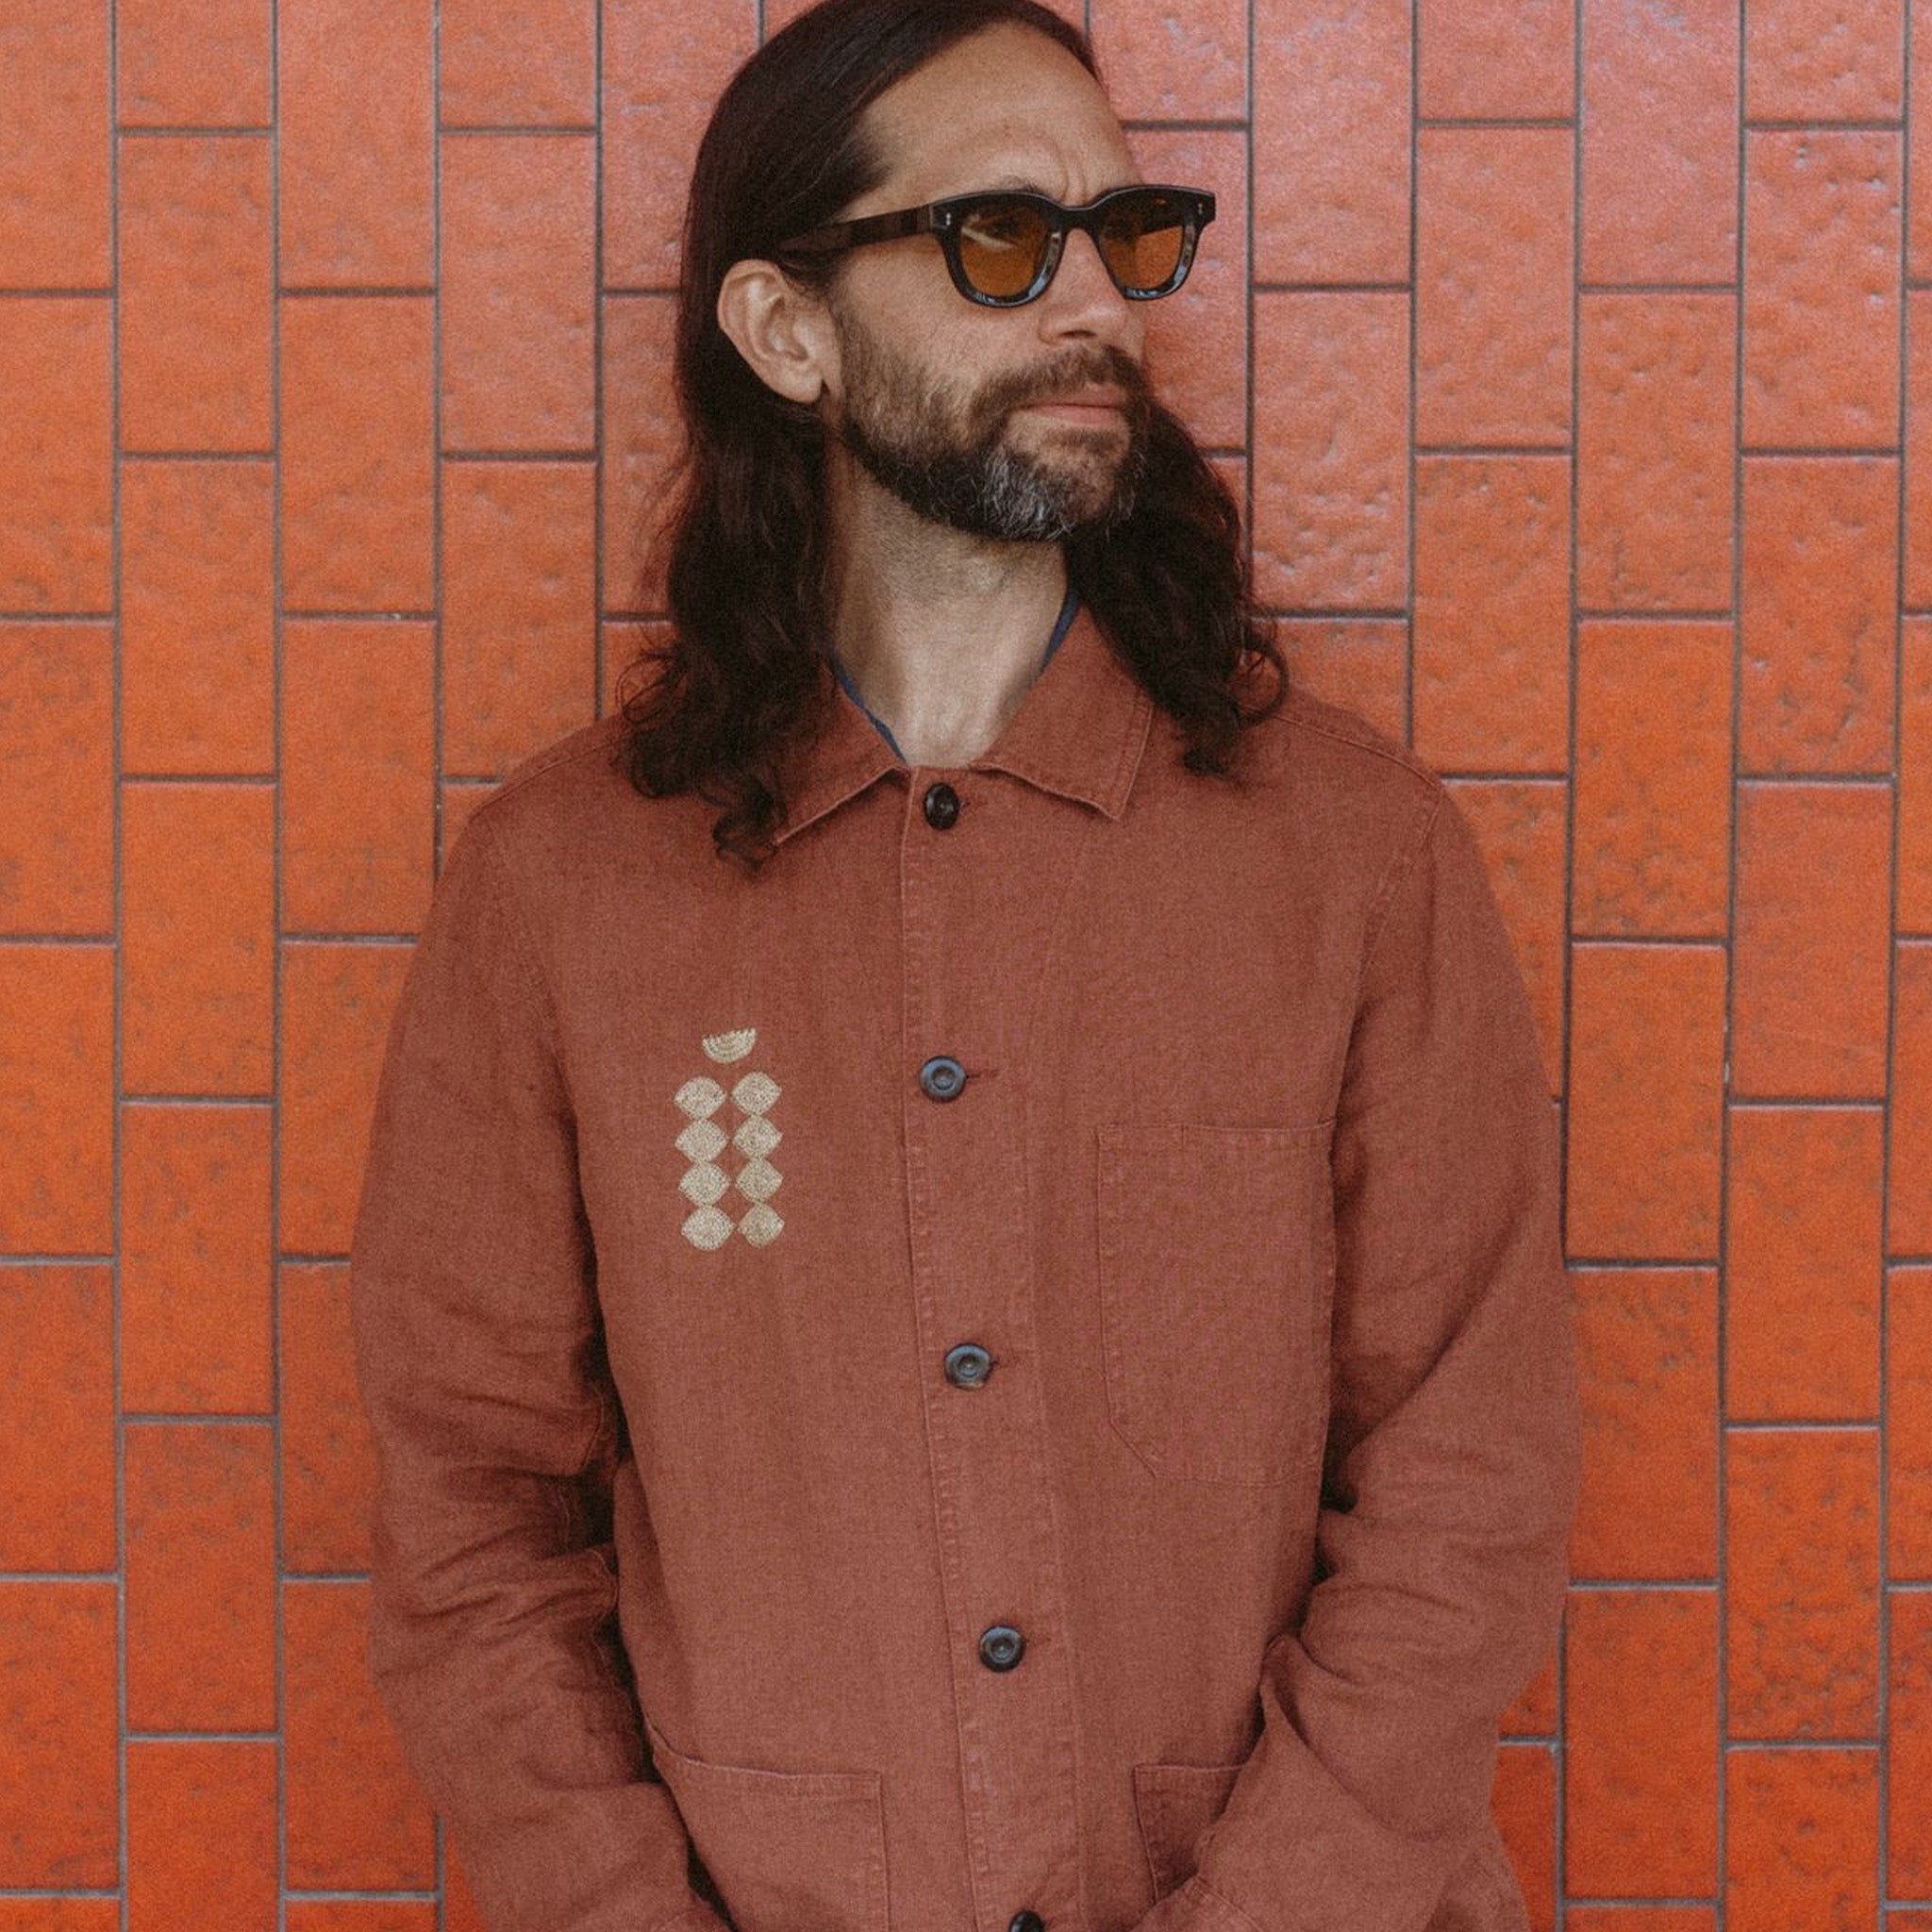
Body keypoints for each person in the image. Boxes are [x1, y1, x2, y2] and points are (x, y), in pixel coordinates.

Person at [346, 3, 1584, 1930]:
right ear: (788, 331)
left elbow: (1467, 1477)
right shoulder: (561, 889)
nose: (1096, 303)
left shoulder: (1354, 853)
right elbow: (471, 1510)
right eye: (1001, 236)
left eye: (1125, 233)